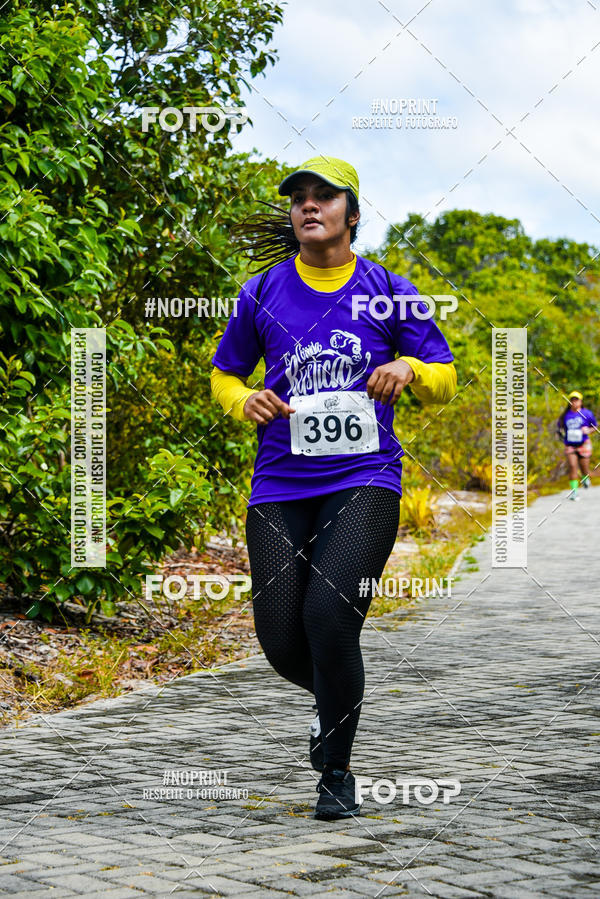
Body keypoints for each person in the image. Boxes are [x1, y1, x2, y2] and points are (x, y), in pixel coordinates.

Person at [210, 156, 456, 820]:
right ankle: (333, 704)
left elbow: (445, 373)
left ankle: (337, 773)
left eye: (325, 196)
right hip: (281, 483)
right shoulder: (261, 291)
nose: (309, 205)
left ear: (353, 212)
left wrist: (407, 367)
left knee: (327, 617)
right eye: (299, 198)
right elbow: (225, 373)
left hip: (365, 478)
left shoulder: (388, 290)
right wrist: (244, 402)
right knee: (281, 637)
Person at [556, 390, 597, 500]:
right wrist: (561, 433)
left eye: (576, 399)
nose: (574, 402)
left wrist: (588, 430)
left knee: (584, 468)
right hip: (570, 445)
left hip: (584, 443)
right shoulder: (565, 415)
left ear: (581, 401)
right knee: (572, 466)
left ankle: (585, 478)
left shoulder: (587, 413)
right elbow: (559, 427)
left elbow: (595, 426)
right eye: (572, 400)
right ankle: (574, 492)